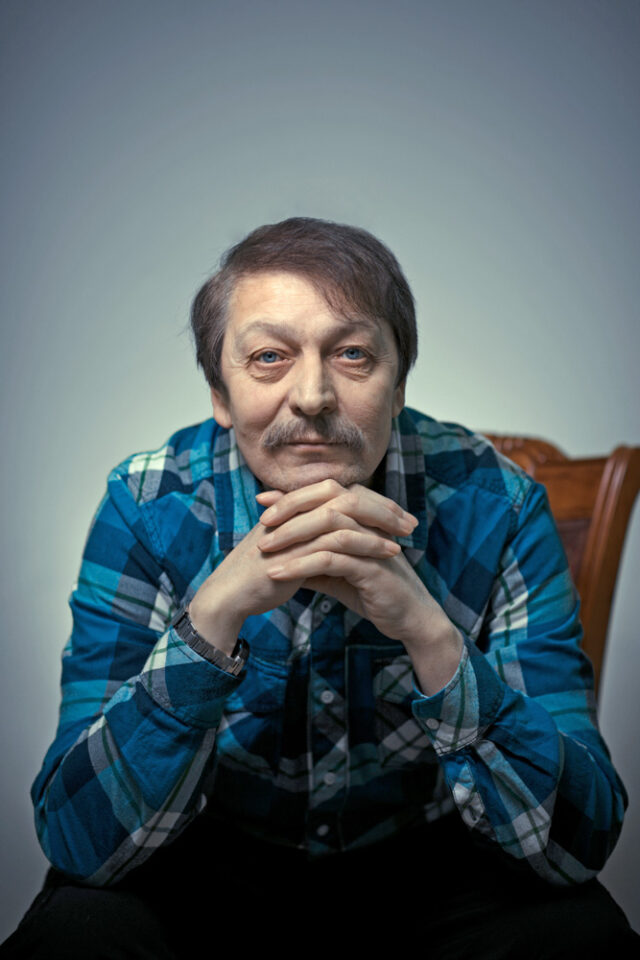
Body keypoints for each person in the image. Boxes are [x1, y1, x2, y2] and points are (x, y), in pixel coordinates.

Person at [3, 218, 637, 958]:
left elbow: (578, 843)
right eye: (269, 357)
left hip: (432, 869)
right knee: (77, 935)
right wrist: (212, 619)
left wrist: (431, 636)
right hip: (211, 865)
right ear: (220, 392)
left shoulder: (501, 507)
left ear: (398, 385)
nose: (311, 396)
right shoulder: (146, 507)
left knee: (581, 939)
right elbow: (78, 839)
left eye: (352, 354)